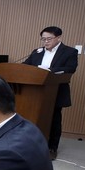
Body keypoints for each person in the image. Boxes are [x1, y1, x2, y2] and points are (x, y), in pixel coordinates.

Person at [22, 26, 78, 160]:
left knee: (54, 119)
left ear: (58, 38)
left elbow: (70, 68)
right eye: (43, 39)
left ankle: (52, 148)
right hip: (34, 92)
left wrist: (48, 70)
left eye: (49, 39)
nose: (46, 42)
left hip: (55, 91)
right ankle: (29, 145)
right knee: (32, 118)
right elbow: (25, 65)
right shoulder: (37, 52)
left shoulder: (70, 51)